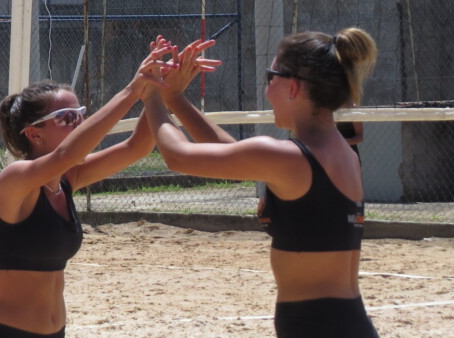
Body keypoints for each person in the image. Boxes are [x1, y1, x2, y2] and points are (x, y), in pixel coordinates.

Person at [143, 30, 380, 337]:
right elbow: (232, 155)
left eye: (271, 77)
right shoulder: (340, 152)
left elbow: (178, 156)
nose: (267, 90)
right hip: (344, 323)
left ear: (293, 87)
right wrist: (173, 97)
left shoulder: (289, 157)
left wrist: (152, 93)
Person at [0, 42, 169, 338]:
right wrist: (133, 90)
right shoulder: (15, 178)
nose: (80, 124)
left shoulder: (65, 180)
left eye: (80, 115)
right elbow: (67, 154)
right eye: (68, 118)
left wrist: (161, 90)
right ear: (34, 134)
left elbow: (138, 147)